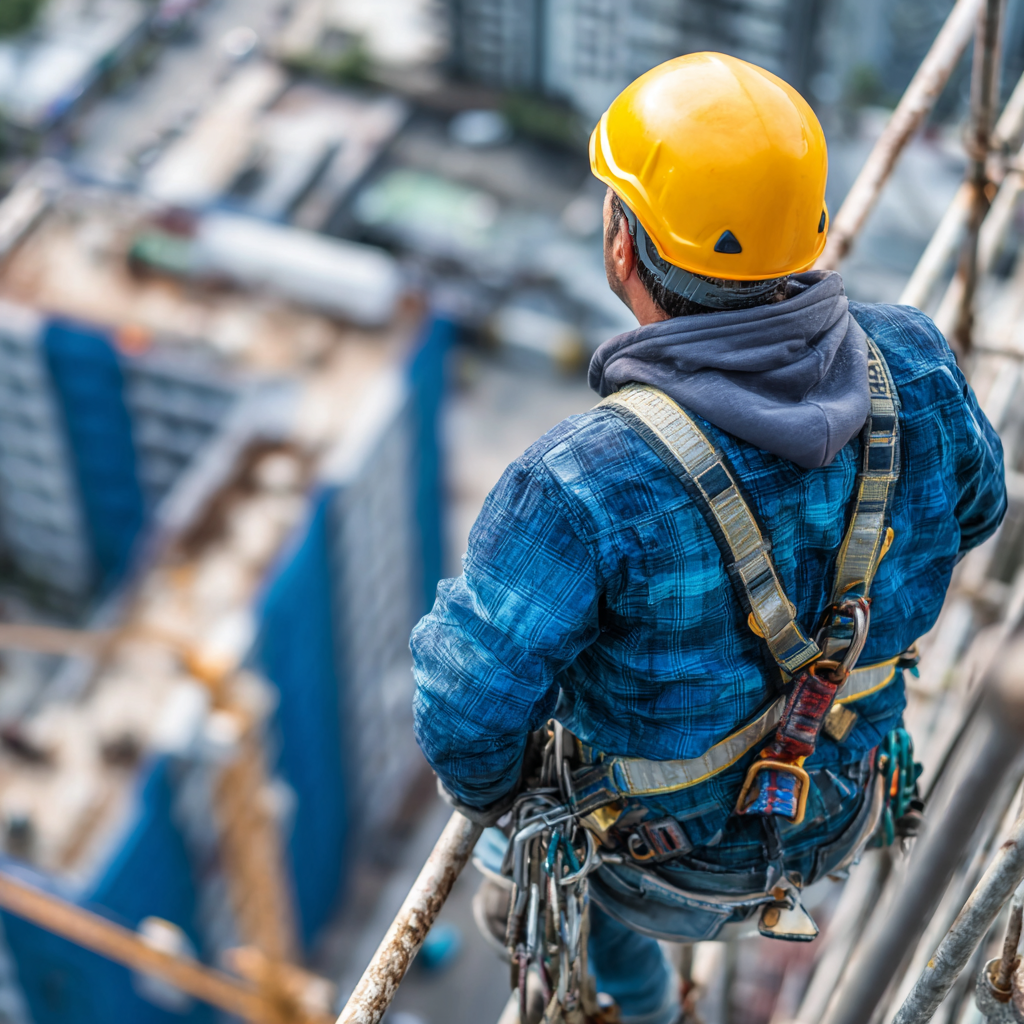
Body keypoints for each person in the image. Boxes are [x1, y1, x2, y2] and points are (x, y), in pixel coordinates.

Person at [410, 52, 1007, 1024]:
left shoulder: (579, 482)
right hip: (848, 793)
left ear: (621, 244)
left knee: (516, 832)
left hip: (668, 872)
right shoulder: (914, 361)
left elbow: (462, 715)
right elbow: (975, 513)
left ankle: (641, 1008)